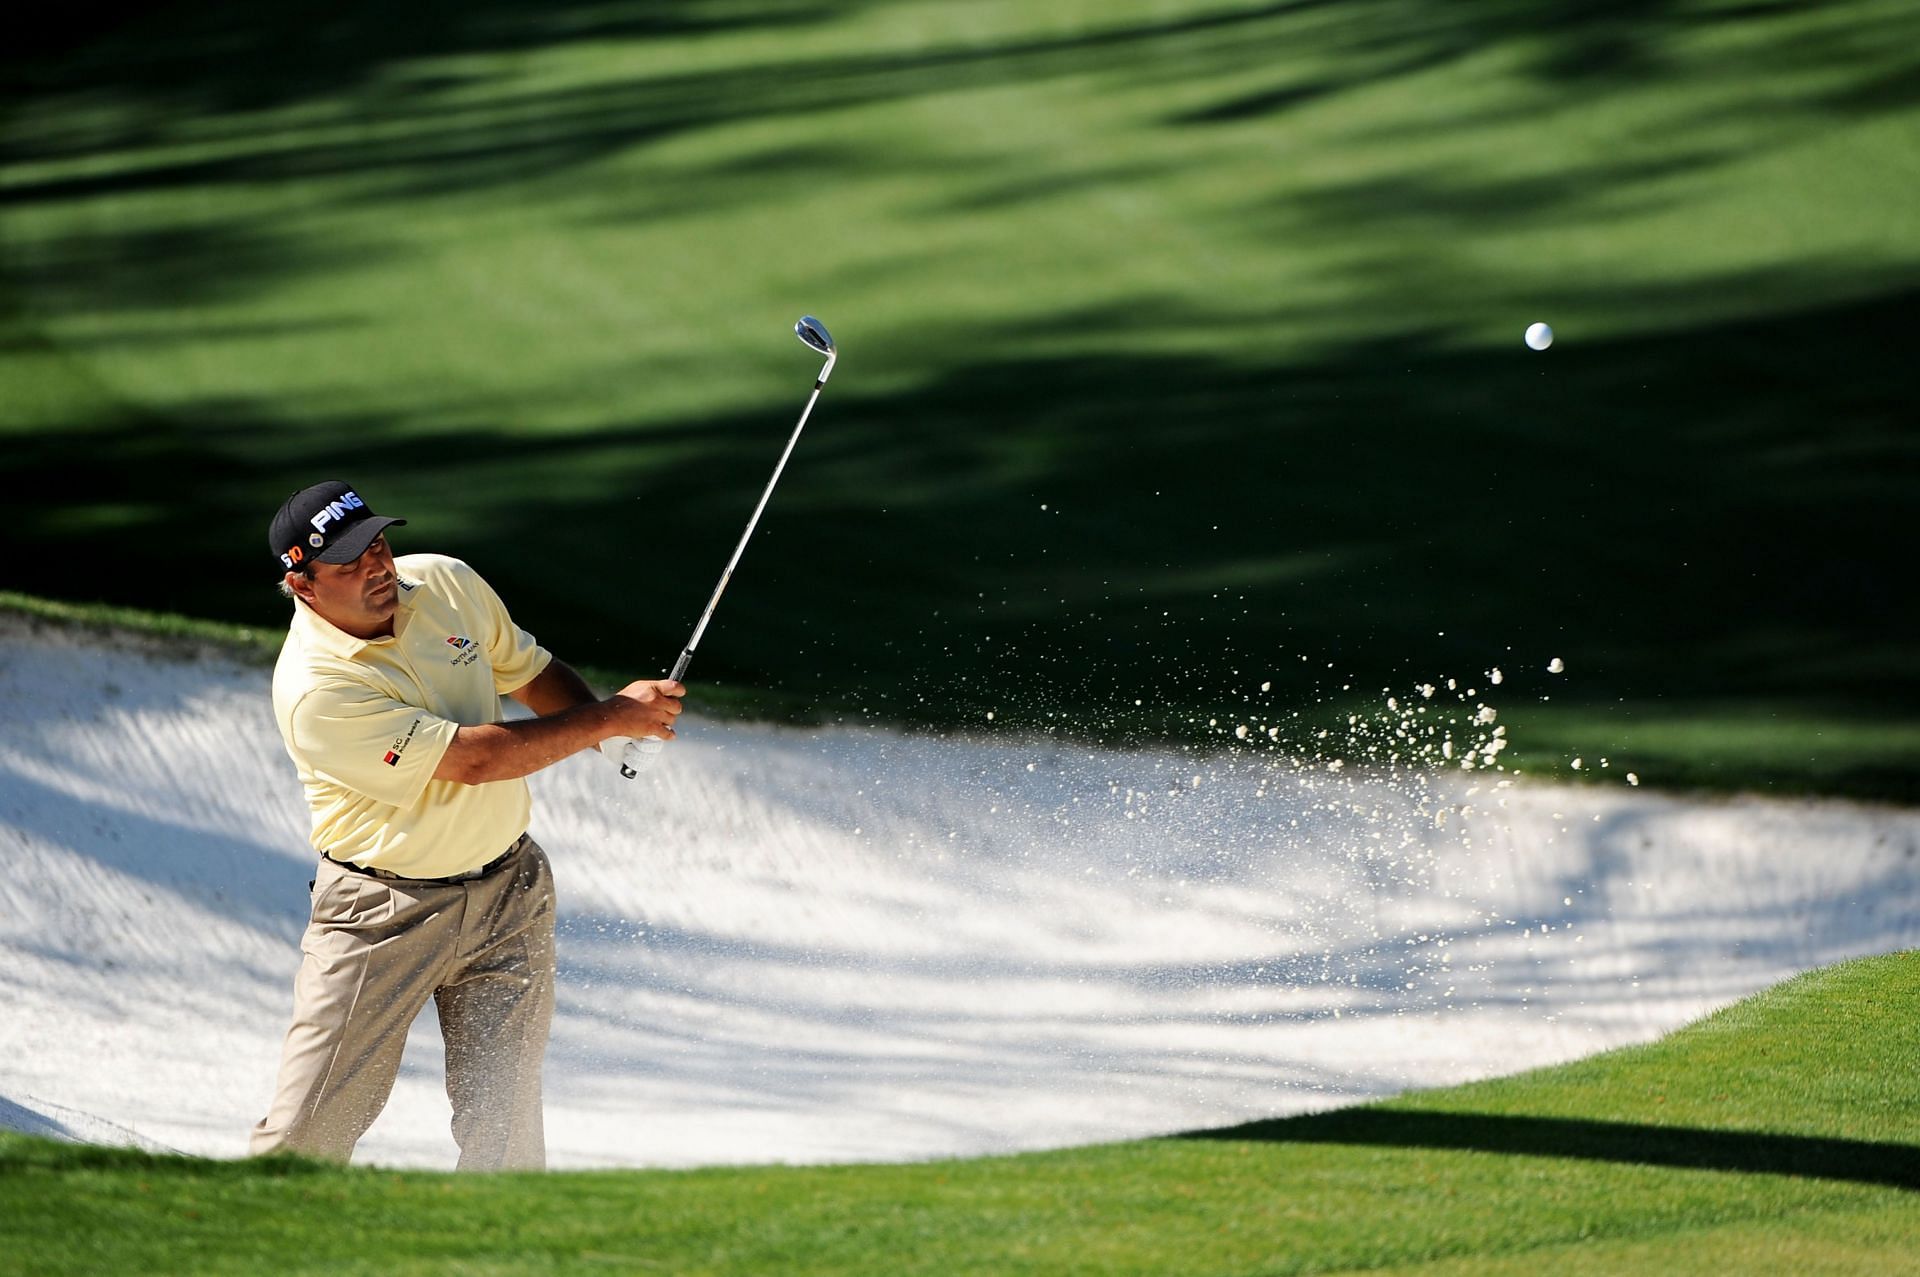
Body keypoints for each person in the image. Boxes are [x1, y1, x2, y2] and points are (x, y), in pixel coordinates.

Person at [250, 479, 683, 1170]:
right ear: (303, 584)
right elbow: (478, 759)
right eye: (351, 560)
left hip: (508, 892)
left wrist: (611, 731)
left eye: (379, 545)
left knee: (506, 1129)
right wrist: (607, 716)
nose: (378, 566)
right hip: (381, 914)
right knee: (308, 1131)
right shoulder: (315, 688)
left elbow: (531, 673)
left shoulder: (445, 581)